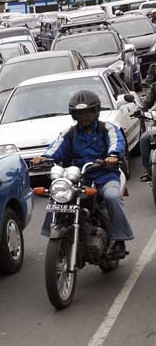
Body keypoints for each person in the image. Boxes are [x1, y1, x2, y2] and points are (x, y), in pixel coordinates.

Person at [32, 90, 134, 258]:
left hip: (105, 174)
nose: (84, 116)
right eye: (79, 113)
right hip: (77, 177)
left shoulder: (107, 128)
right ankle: (53, 234)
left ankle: (119, 239)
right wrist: (44, 158)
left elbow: (117, 142)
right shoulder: (69, 133)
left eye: (87, 112)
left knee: (112, 196)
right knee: (57, 196)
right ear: (74, 115)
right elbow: (55, 148)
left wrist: (112, 156)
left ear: (96, 112)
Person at [134, 80, 156, 182]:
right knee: (144, 138)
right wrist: (140, 110)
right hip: (155, 127)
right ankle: (148, 170)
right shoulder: (154, 87)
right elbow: (146, 103)